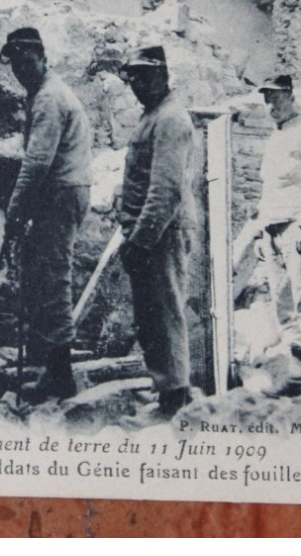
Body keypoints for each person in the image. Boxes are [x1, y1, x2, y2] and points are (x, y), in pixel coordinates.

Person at [0, 27, 92, 401]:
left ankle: (60, 375)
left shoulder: (50, 98)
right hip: (58, 192)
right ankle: (48, 363)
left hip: (62, 192)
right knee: (40, 274)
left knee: (53, 278)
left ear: (41, 56)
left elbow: (37, 162)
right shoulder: (40, 93)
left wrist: (15, 209)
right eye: (16, 65)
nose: (22, 70)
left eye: (27, 61)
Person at [119, 45, 195, 418]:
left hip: (160, 233)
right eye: (132, 78)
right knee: (150, 317)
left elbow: (166, 189)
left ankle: (176, 395)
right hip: (143, 232)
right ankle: (166, 386)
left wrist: (141, 239)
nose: (137, 85)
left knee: (165, 314)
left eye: (145, 76)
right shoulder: (152, 116)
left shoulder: (171, 119)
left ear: (163, 75)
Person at [256, 73, 301, 397]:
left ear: (290, 94)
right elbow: (271, 187)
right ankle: (298, 373)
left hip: (296, 228)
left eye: (276, 97)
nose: (271, 105)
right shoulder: (277, 136)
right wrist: (263, 229)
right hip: (273, 229)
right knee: (282, 303)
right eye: (266, 99)